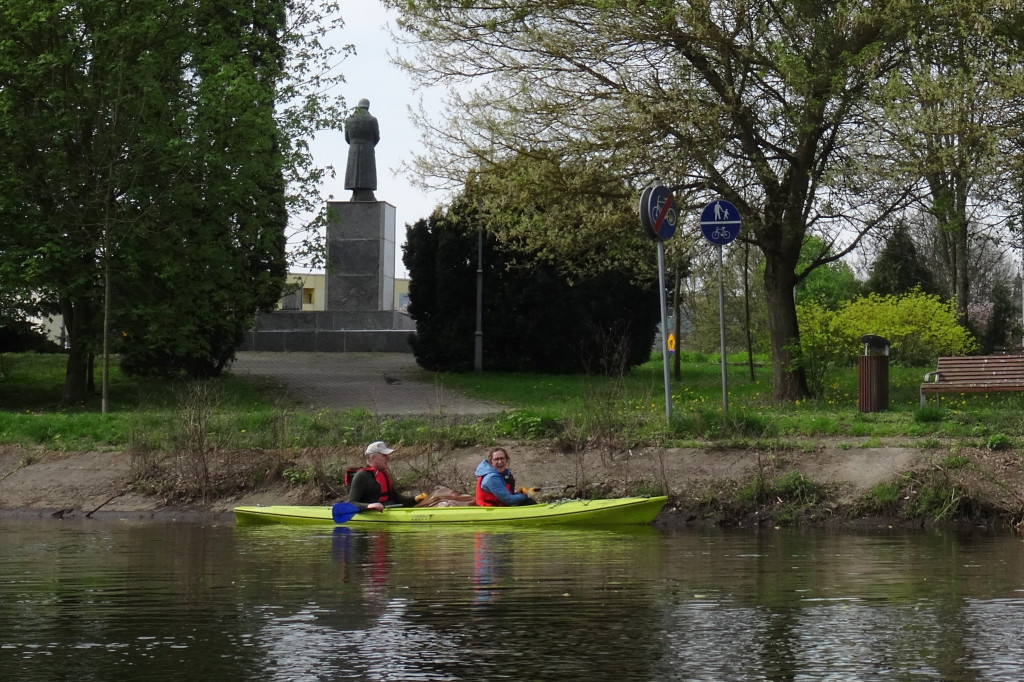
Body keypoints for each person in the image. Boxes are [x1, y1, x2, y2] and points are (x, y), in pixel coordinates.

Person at [348, 441, 424, 511]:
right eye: (384, 455)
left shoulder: (383, 474)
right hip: (372, 515)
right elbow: (352, 503)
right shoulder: (361, 476)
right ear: (373, 458)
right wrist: (369, 506)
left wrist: (415, 499)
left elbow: (397, 498)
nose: (388, 458)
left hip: (389, 510)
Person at [343, 98, 380, 201]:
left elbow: (347, 138)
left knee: (354, 173)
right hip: (367, 150)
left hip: (353, 150)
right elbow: (377, 137)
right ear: (368, 107)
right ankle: (366, 194)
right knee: (367, 174)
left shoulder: (349, 120)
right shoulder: (372, 120)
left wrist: (354, 143)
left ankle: (355, 194)